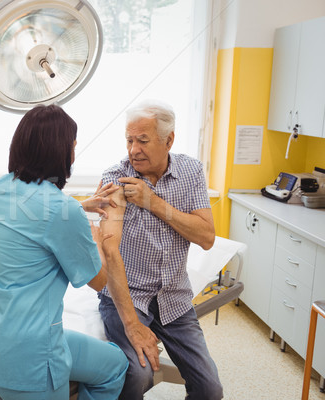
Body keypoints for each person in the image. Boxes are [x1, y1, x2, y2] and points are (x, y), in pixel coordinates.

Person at [0, 104, 128, 400]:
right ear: (60, 153)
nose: (73, 155)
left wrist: (80, 208)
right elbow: (98, 281)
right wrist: (100, 235)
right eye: (72, 148)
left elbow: (32, 217)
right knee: (116, 368)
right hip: (30, 362)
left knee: (114, 362)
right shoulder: (61, 209)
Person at [98, 99, 222, 400]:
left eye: (143, 140)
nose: (133, 150)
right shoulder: (117, 177)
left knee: (210, 389)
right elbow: (108, 250)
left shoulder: (190, 171)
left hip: (174, 299)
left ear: (169, 140)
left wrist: (152, 202)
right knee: (137, 376)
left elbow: (206, 236)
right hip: (130, 297)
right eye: (129, 140)